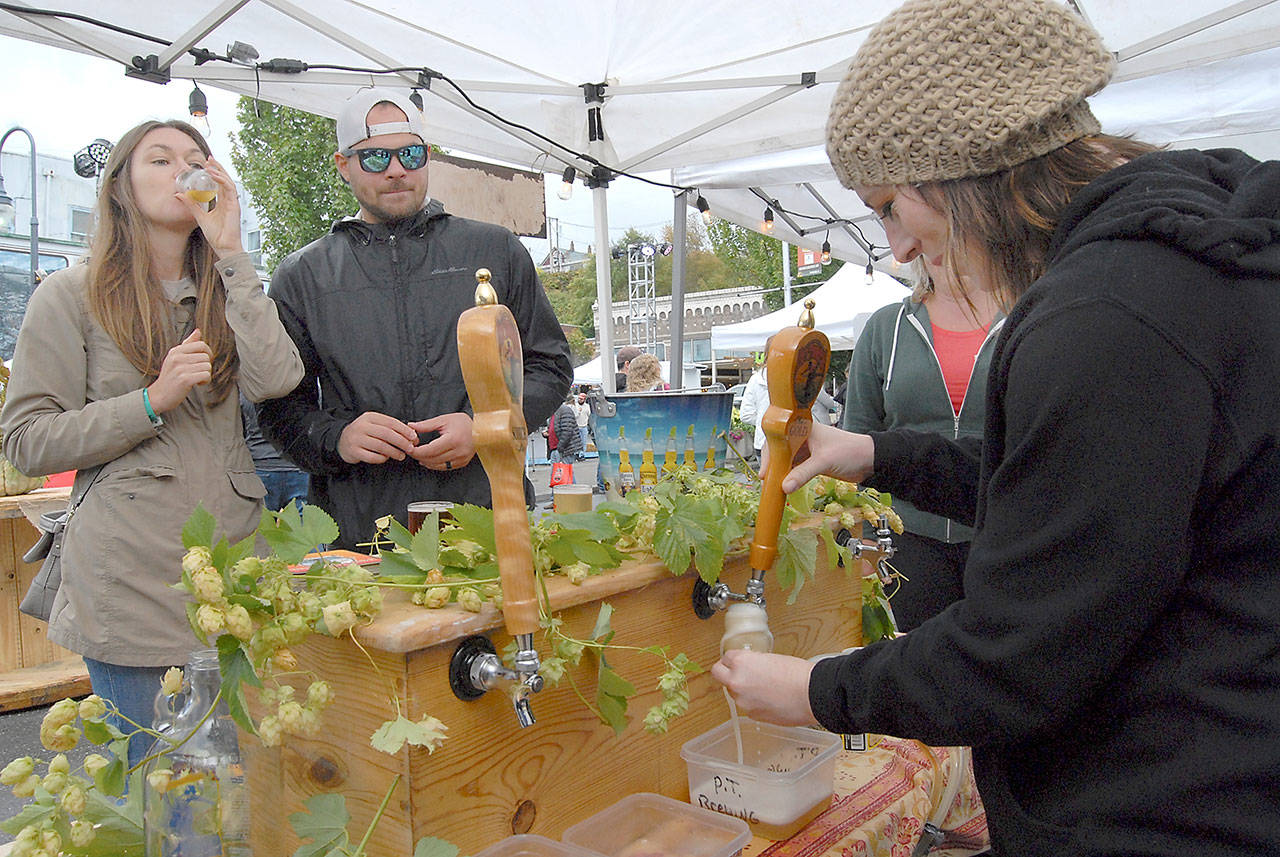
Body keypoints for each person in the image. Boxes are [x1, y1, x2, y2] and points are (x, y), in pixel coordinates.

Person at [712, 1, 1280, 855]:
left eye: (889, 207)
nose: (897, 248)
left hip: (1165, 811)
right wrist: (874, 453)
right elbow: (1076, 498)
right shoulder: (1175, 263)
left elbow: (1018, 654)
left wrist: (817, 688)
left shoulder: (1107, 318)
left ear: (956, 170)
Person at [1, 120, 304, 764]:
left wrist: (232, 251)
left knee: (247, 791)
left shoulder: (227, 288)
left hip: (234, 569)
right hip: (129, 579)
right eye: (160, 159)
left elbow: (278, 379)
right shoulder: (70, 295)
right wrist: (149, 402)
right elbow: (26, 442)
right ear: (120, 188)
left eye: (196, 158)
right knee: (161, 793)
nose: (182, 170)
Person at [258, 88, 572, 548]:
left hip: (484, 516)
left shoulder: (494, 250)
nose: (395, 170)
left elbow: (549, 364)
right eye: (374, 159)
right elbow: (279, 406)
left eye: (410, 154)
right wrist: (338, 437)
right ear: (343, 165)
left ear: (427, 157)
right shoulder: (303, 275)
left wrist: (483, 427)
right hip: (363, 527)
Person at [841, 259, 1003, 630]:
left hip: (1004, 538)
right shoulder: (886, 328)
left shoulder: (1027, 316)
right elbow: (857, 440)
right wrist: (865, 546)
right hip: (906, 540)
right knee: (915, 668)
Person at [241, 392, 309, 512]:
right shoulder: (305, 392)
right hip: (298, 467)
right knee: (302, 528)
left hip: (261, 468)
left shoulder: (248, 392)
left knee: (262, 527)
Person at [548, 396, 583, 483]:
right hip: (556, 448)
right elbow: (554, 428)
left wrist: (560, 447)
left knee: (564, 474)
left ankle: (565, 494)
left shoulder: (564, 410)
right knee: (563, 474)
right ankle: (562, 494)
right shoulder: (554, 411)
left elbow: (567, 430)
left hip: (563, 449)